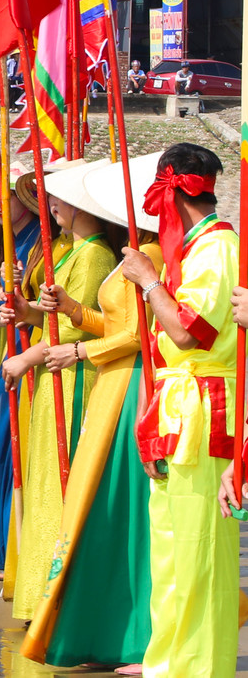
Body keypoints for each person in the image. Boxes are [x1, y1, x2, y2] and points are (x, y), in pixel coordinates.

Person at [20, 154, 160, 670]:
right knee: (98, 509)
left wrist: (78, 350)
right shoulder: (134, 254)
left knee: (116, 510)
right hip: (111, 387)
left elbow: (142, 335)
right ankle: (98, 625)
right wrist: (73, 312)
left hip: (128, 391)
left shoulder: (147, 257)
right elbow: (115, 323)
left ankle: (126, 632)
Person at [117, 143, 239, 677]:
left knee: (199, 553)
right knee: (168, 549)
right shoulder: (189, 249)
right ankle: (165, 657)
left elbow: (190, 332)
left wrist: (147, 281)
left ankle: (196, 667)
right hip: (176, 408)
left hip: (207, 408)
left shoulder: (217, 247)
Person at [0, 160, 116, 625]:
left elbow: (75, 328)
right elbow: (53, 319)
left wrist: (27, 357)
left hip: (72, 377)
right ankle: (39, 593)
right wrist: (23, 310)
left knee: (59, 486)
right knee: (45, 480)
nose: (52, 206)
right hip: (53, 376)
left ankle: (56, 597)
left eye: (60, 198)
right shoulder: (70, 251)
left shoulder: (95, 255)